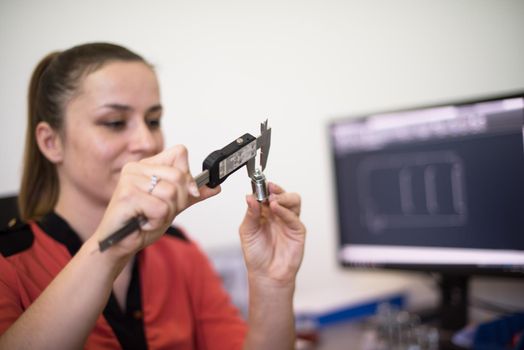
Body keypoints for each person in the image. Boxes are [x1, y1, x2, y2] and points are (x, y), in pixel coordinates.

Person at [0, 42, 306, 349]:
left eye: (153, 121)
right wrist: (110, 249)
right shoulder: (8, 266)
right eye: (115, 123)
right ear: (51, 142)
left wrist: (272, 284)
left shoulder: (179, 253)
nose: (147, 142)